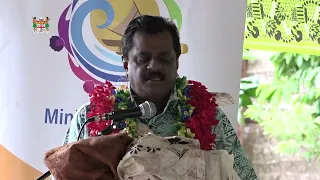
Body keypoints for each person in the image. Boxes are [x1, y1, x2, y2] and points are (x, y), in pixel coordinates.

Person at [62, 15, 258, 180]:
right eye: (143, 59)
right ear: (126, 64)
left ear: (177, 63)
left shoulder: (211, 118)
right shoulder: (92, 118)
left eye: (164, 59)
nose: (154, 67)